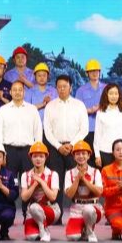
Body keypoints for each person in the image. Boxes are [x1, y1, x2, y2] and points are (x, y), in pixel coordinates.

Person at [42, 75, 89, 223]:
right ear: (56, 88)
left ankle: (81, 215)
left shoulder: (79, 105)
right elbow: (47, 130)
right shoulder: (50, 106)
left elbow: (84, 129)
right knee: (56, 182)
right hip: (55, 148)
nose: (62, 89)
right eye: (59, 87)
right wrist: (58, 146)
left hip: (75, 149)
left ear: (71, 87)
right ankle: (56, 216)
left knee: (78, 181)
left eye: (65, 86)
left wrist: (71, 144)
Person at [0, 80, 43, 178]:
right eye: (15, 90)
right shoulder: (3, 110)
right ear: (10, 92)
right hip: (9, 151)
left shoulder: (32, 109)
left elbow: (38, 132)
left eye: (20, 90)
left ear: (24, 92)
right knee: (9, 183)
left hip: (28, 152)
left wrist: (37, 152)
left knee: (29, 182)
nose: (17, 92)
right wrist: (1, 154)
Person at [20, 142, 61, 242]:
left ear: (46, 157)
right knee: (31, 237)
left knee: (34, 206)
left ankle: (44, 230)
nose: (38, 159)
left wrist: (42, 182)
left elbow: (53, 197)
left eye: (41, 156)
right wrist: (34, 184)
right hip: (32, 212)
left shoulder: (53, 174)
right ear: (31, 157)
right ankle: (39, 227)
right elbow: (24, 198)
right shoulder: (25, 175)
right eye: (35, 156)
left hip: (50, 209)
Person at [64, 140, 104, 242]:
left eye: (83, 153)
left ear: (89, 155)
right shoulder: (69, 173)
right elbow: (69, 194)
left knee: (88, 209)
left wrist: (85, 180)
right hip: (76, 208)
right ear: (74, 156)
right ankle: (82, 228)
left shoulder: (96, 172)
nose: (81, 156)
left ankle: (89, 231)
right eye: (78, 154)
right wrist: (77, 179)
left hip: (93, 207)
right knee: (73, 237)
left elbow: (99, 192)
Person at [93, 83, 122, 169]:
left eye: (116, 93)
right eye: (111, 93)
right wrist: (97, 155)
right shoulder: (100, 112)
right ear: (106, 95)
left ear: (119, 95)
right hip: (105, 151)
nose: (113, 96)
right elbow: (97, 135)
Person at [73, 59, 106, 146]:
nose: (94, 73)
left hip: (104, 128)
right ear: (87, 73)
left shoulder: (106, 88)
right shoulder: (81, 90)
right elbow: (76, 111)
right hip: (87, 130)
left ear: (100, 72)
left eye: (96, 71)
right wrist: (90, 110)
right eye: (91, 71)